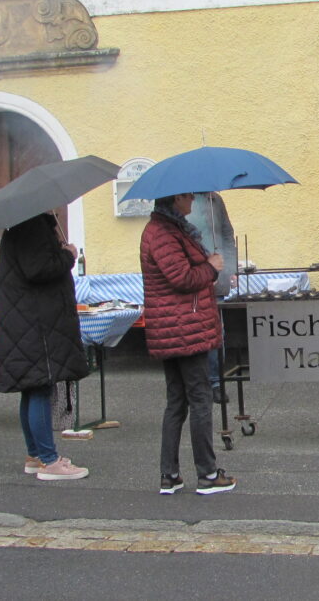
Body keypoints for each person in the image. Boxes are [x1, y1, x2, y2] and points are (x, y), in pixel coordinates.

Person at [142, 192, 236, 495]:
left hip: (177, 327)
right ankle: (207, 474)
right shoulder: (162, 233)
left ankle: (169, 475)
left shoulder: (170, 229)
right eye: (188, 197)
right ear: (175, 199)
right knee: (199, 398)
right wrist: (210, 267)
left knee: (178, 401)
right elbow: (181, 278)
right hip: (183, 328)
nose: (192, 202)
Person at [0, 212, 89, 480]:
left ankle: (36, 455)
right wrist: (68, 255)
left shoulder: (23, 223)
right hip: (36, 323)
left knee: (33, 388)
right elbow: (38, 269)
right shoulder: (32, 224)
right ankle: (49, 460)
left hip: (27, 321)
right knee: (40, 387)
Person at [186, 192, 236, 405]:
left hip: (218, 277)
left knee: (218, 332)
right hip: (196, 277)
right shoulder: (184, 200)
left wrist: (230, 268)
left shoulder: (215, 199)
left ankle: (216, 381)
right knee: (196, 332)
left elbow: (226, 233)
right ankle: (200, 382)